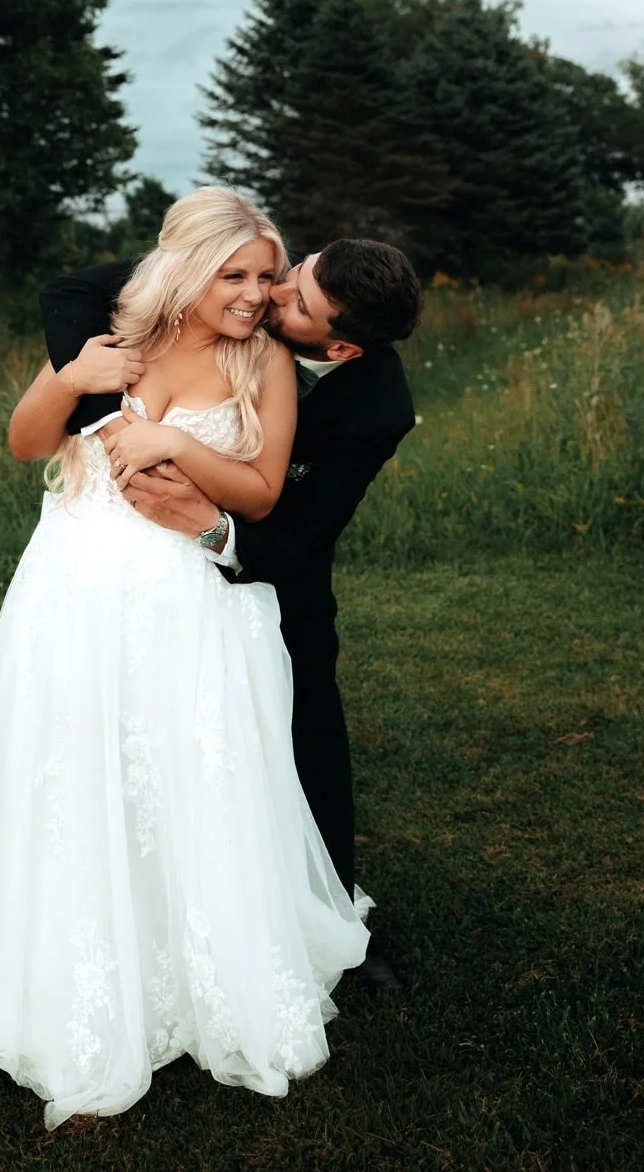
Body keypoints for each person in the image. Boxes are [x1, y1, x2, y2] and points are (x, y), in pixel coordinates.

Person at [0, 188, 372, 1130]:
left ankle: (205, 970)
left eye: (267, 276)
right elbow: (27, 440)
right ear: (187, 268)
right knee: (77, 772)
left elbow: (266, 493)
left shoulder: (264, 360)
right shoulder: (114, 339)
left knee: (188, 777)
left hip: (185, 608)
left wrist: (169, 449)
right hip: (71, 592)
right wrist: (72, 380)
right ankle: (76, 964)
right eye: (234, 275)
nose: (254, 293)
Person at [40, 228, 422, 991]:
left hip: (268, 563)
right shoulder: (249, 272)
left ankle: (329, 919)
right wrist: (105, 409)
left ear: (339, 347)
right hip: (137, 558)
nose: (271, 292)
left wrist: (212, 529)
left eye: (298, 300)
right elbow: (70, 293)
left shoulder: (375, 406)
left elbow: (306, 535)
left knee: (307, 721)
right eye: (296, 271)